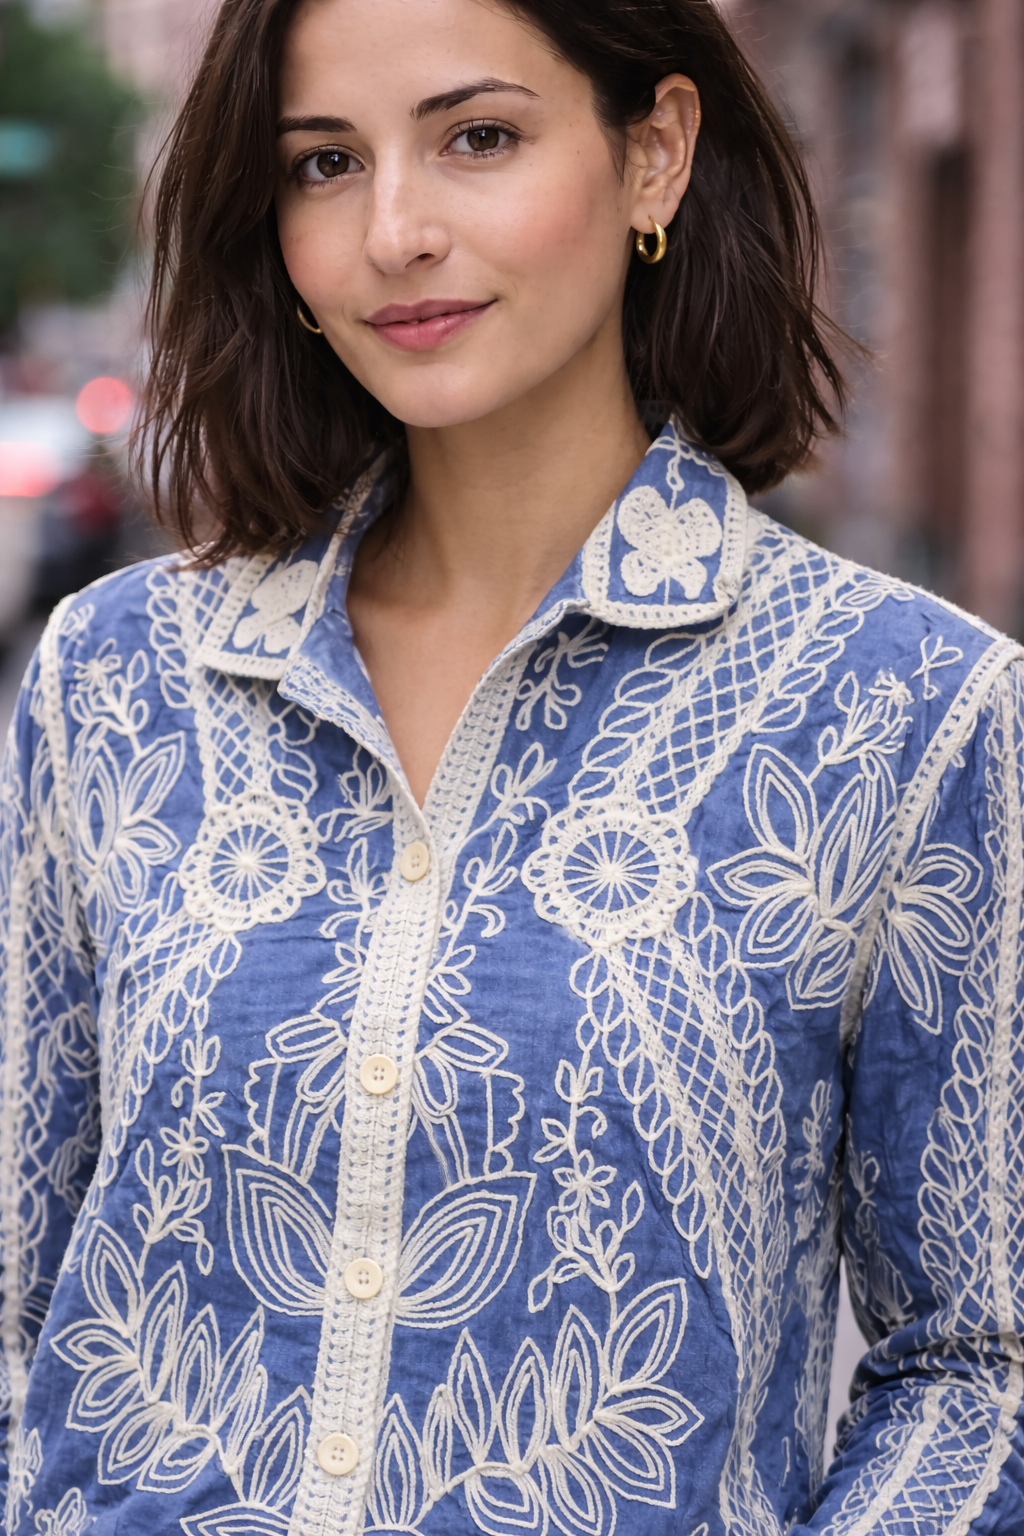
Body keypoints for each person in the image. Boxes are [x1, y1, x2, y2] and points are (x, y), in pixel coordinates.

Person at [1, 0, 1022, 1531]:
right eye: (325, 163)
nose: (395, 230)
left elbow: (980, 1365)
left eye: (478, 137)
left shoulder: (907, 709)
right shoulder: (118, 681)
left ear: (655, 154)